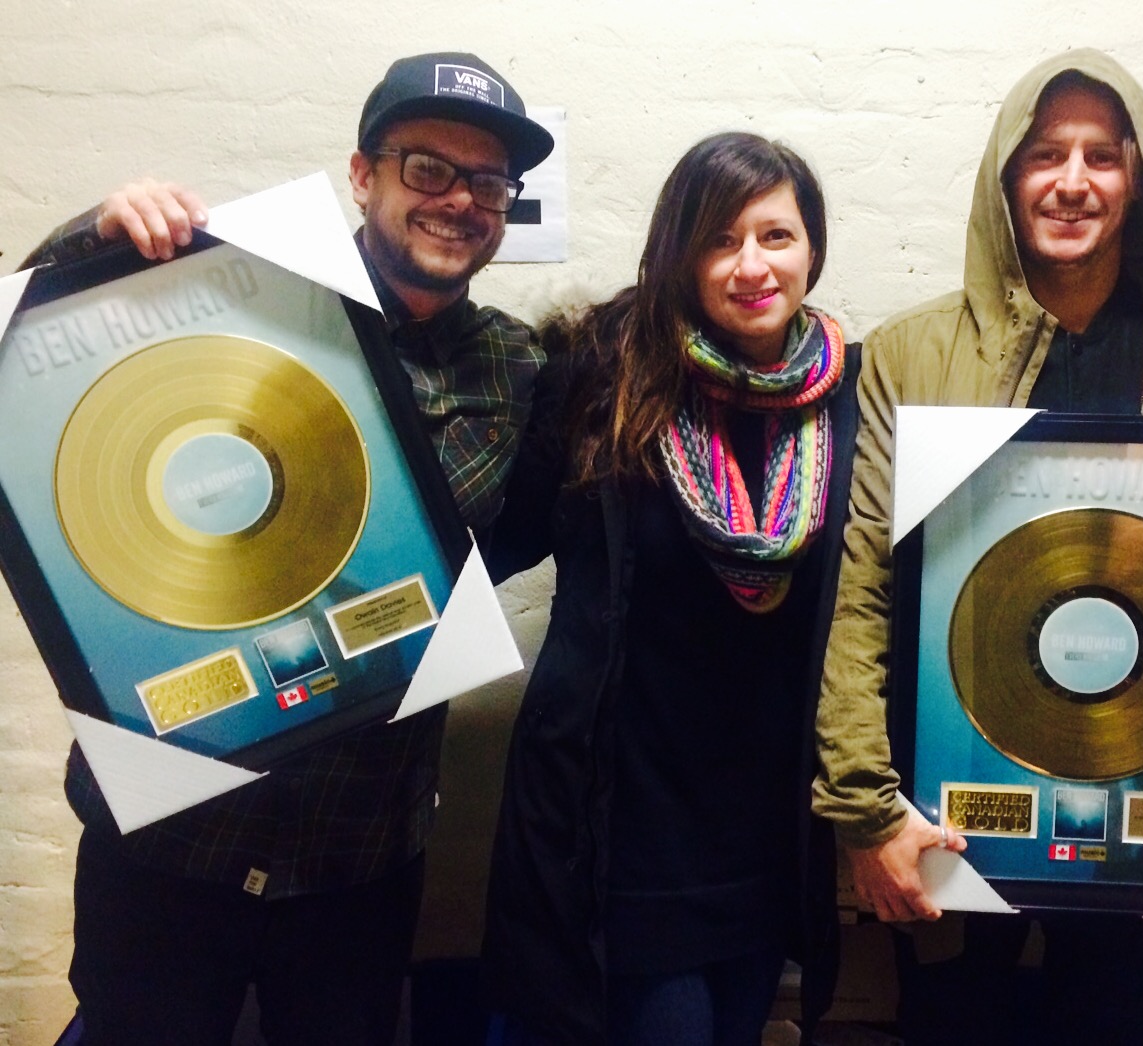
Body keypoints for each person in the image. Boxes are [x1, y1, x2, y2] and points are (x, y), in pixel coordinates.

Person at [813, 49, 1143, 1046]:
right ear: (1006, 176)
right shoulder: (911, 353)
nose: (1071, 182)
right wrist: (865, 810)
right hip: (950, 826)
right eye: (1045, 154)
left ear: (1139, 178)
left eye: (1100, 156)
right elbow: (866, 593)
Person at [22, 51, 553, 1046]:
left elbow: (529, 521)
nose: (459, 200)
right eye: (427, 168)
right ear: (362, 174)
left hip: (358, 852)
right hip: (172, 829)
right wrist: (102, 230)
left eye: (488, 183)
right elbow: (37, 338)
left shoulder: (517, 366)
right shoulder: (230, 285)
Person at [480, 132, 901, 1046]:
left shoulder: (851, 396)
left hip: (764, 831)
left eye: (776, 236)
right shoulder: (602, 372)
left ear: (812, 248)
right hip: (622, 832)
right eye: (719, 239)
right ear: (679, 251)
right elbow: (490, 539)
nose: (752, 265)